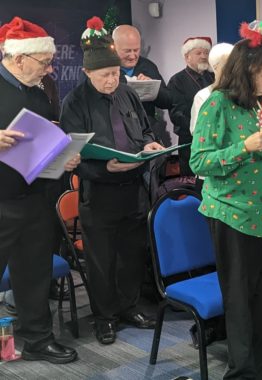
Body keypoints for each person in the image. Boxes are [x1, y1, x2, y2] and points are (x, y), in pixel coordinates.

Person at [60, 16, 163, 345]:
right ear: (88, 73)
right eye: (105, 75)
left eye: (116, 74)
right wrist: (105, 169)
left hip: (134, 190)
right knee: (102, 260)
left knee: (132, 253)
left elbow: (145, 129)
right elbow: (72, 158)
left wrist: (148, 144)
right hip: (99, 194)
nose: (111, 81)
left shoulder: (127, 94)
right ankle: (104, 317)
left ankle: (129, 306)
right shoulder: (74, 103)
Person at [189, 20, 262, 379]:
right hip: (232, 214)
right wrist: (244, 146)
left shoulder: (258, 106)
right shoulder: (217, 104)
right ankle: (242, 372)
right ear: (248, 69)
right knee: (241, 301)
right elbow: (199, 161)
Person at [0, 16, 79, 364]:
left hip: (34, 198)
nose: (49, 70)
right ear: (19, 59)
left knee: (34, 273)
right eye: (44, 62)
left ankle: (37, 339)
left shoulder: (39, 93)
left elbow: (44, 141)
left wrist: (63, 157)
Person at [112, 24, 173, 146]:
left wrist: (151, 87)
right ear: (114, 48)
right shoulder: (106, 70)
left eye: (136, 50)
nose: (133, 56)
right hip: (119, 135)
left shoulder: (148, 66)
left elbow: (168, 101)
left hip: (148, 134)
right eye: (127, 51)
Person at [168, 36, 215, 176]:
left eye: (206, 53)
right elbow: (176, 114)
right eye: (198, 53)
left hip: (214, 138)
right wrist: (201, 129)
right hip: (190, 140)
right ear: (187, 57)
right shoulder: (177, 80)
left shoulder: (213, 78)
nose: (203, 56)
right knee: (191, 182)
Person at [190, 42, 234, 134]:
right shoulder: (204, 96)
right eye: (229, 64)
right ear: (216, 67)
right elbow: (197, 131)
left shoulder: (243, 93)